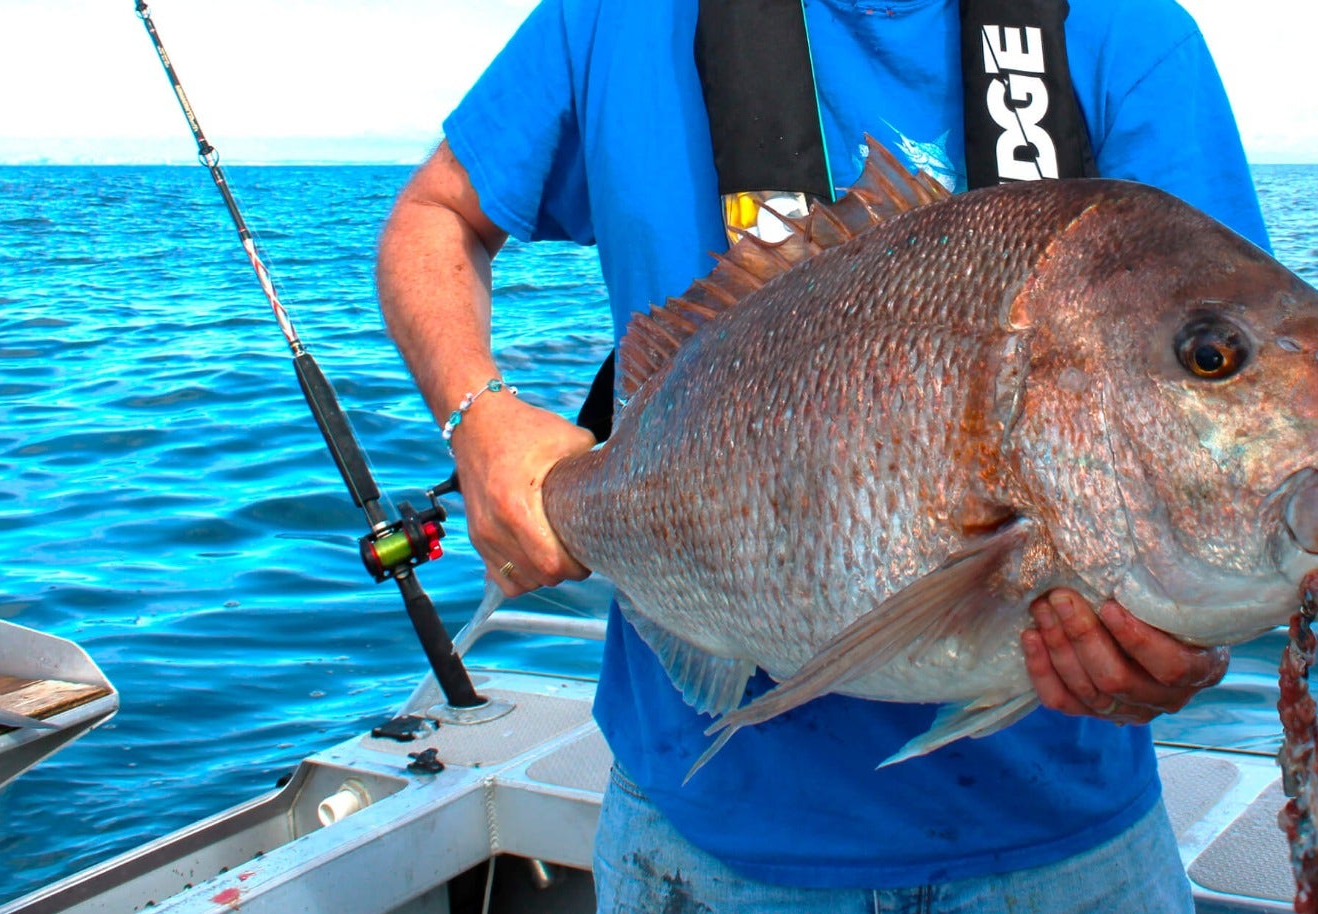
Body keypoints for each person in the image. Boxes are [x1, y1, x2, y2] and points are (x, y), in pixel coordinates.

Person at [377, 1, 1271, 910]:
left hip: (1072, 852)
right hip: (701, 843)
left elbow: (1228, 419)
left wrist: (1183, 641)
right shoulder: (613, 19)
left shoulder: (1126, 29)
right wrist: (479, 419)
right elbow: (435, 212)